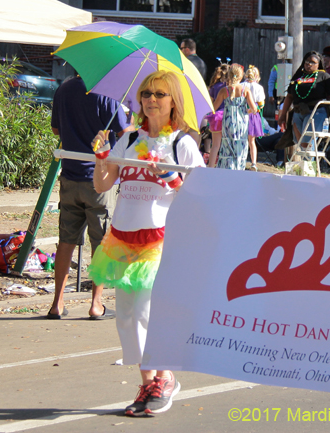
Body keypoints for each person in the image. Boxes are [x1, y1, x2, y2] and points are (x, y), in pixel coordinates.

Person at [90, 71, 204, 417]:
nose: (151, 99)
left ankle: (165, 376)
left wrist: (170, 178)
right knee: (125, 316)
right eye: (146, 93)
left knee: (143, 311)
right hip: (122, 236)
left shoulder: (181, 143)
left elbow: (200, 193)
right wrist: (101, 156)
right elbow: (102, 185)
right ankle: (148, 382)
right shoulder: (129, 138)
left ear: (173, 102)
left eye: (159, 94)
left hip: (160, 239)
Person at [47, 75, 131, 319]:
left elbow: (55, 129)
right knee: (100, 242)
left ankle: (57, 303)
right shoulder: (107, 94)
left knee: (66, 240)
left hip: (70, 175)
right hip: (99, 178)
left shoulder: (63, 90)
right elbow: (126, 134)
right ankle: (96, 304)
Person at [277, 51, 330, 148]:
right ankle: (306, 163)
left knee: (307, 143)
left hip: (316, 112)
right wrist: (283, 115)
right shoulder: (298, 77)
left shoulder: (324, 77)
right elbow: (289, 96)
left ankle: (309, 162)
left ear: (319, 64)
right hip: (298, 112)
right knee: (300, 143)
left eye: (313, 62)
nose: (309, 64)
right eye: (307, 61)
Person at [213, 64, 258, 170]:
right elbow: (254, 109)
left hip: (228, 122)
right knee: (240, 146)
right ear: (241, 77)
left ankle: (226, 170)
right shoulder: (245, 90)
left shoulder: (224, 91)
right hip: (241, 123)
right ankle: (238, 170)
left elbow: (214, 107)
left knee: (226, 146)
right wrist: (247, 111)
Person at [242, 65, 266, 166]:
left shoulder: (241, 85)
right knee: (252, 141)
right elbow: (261, 104)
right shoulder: (259, 87)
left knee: (241, 139)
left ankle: (241, 161)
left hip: (242, 112)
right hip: (253, 112)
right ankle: (253, 163)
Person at [205, 64, 228, 168]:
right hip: (228, 116)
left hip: (216, 117)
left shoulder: (214, 87)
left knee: (215, 145)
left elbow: (211, 103)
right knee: (227, 144)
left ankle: (210, 167)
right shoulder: (229, 87)